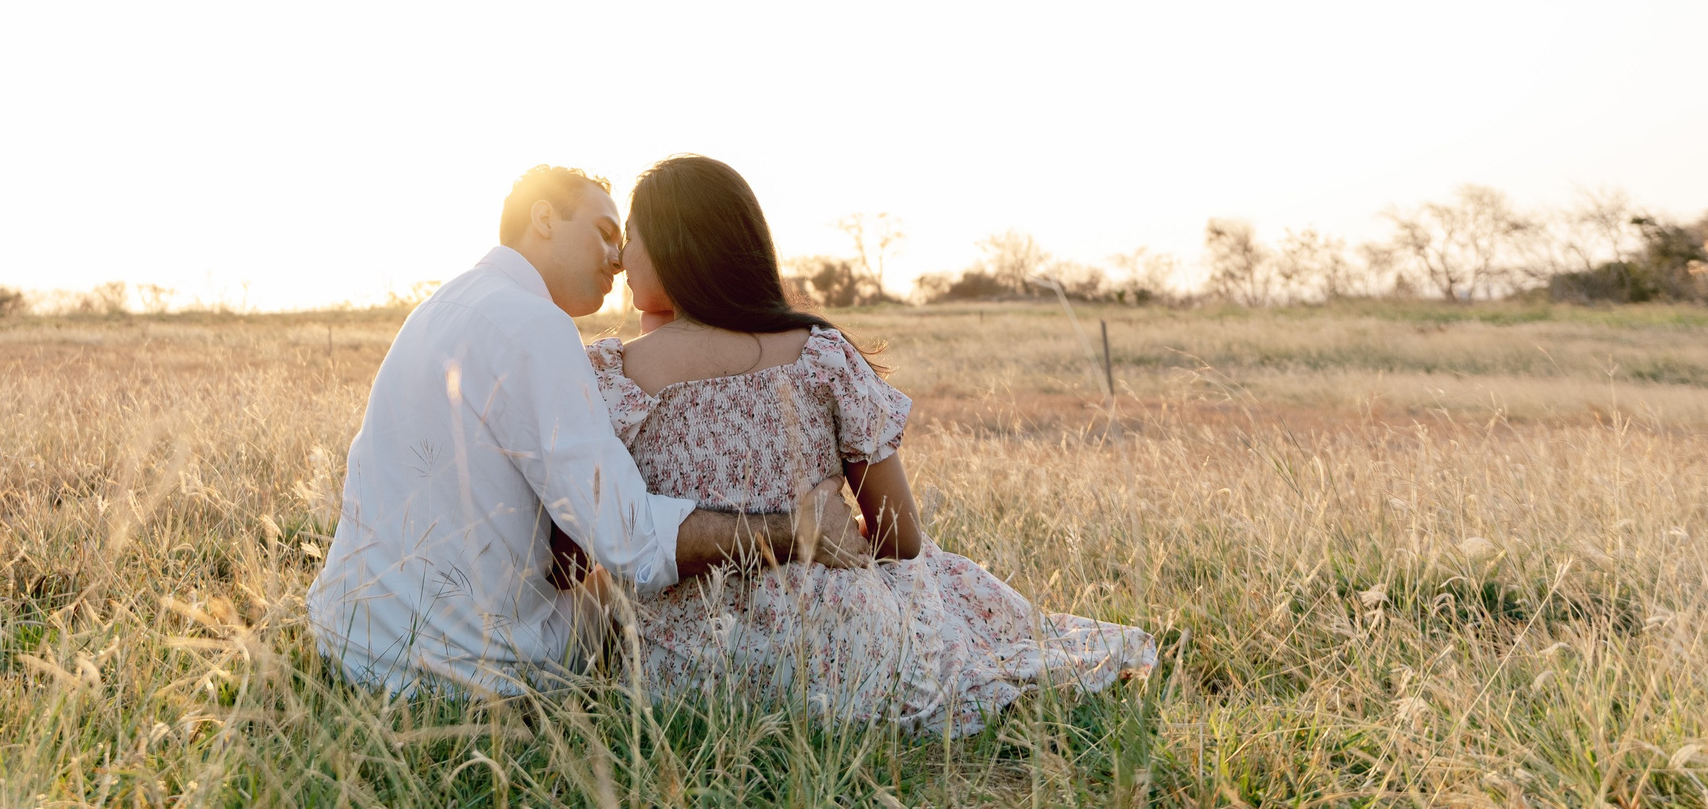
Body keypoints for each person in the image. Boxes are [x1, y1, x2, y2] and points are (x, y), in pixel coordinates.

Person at [586, 154, 1158, 732]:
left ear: (672, 244)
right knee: (940, 579)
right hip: (839, 653)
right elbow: (900, 537)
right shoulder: (819, 354)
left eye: (632, 236)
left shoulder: (611, 376)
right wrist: (831, 537)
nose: (621, 256)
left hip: (684, 668)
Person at [307, 165, 868, 695]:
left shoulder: (437, 308)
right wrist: (798, 530)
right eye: (603, 233)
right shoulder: (535, 325)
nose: (618, 259)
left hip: (350, 636)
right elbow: (631, 542)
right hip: (465, 669)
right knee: (628, 587)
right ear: (544, 218)